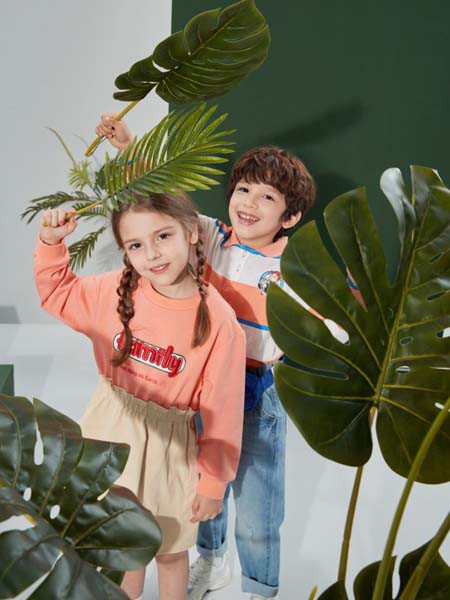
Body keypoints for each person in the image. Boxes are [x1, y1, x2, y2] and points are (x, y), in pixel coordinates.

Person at [95, 115, 344, 600]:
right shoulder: (210, 237)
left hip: (257, 391)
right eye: (244, 190)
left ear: (290, 217)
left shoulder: (297, 267)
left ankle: (259, 587)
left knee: (257, 504)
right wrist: (128, 148)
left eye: (267, 198)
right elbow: (165, 198)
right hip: (199, 383)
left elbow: (334, 322)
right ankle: (211, 561)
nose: (250, 203)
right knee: (200, 487)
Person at [34, 193, 246, 600]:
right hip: (108, 433)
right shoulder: (116, 291)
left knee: (170, 548)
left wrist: (213, 483)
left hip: (169, 450)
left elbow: (223, 412)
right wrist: (51, 243)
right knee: (121, 545)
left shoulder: (219, 321)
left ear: (191, 232)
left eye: (163, 236)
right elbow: (58, 292)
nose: (151, 253)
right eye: (135, 245)